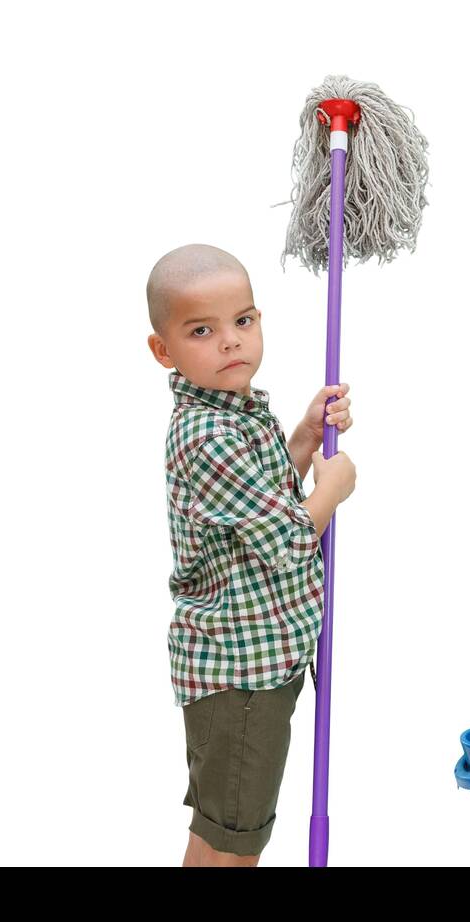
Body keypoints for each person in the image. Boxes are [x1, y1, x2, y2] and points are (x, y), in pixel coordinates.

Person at [146, 243, 356, 866]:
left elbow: (259, 504)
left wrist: (304, 437)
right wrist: (332, 491)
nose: (231, 342)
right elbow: (290, 540)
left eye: (243, 321)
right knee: (231, 841)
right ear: (164, 351)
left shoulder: (235, 412)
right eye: (202, 331)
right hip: (239, 676)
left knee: (233, 827)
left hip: (264, 662)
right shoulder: (206, 436)